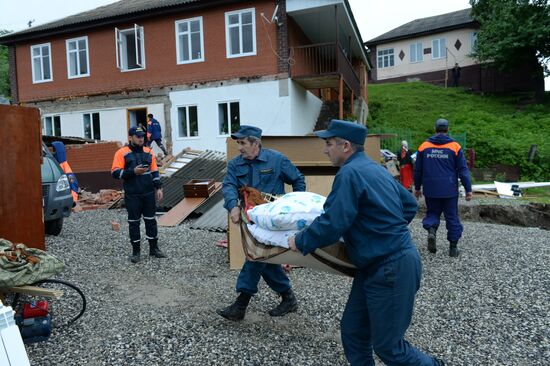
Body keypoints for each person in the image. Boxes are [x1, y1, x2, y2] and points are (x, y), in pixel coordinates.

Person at [288, 120, 444, 366]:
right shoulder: (374, 168)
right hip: (373, 266)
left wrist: (299, 240)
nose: (325, 150)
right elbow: (409, 205)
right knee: (353, 331)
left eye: (329, 144)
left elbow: (331, 223)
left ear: (346, 145)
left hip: (391, 267)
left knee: (389, 348)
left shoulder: (349, 174)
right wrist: (377, 229)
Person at [218, 125, 306, 321]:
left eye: (243, 143)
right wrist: (232, 206)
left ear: (256, 143)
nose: (239, 147)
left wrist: (294, 207)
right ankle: (288, 297)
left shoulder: (277, 159)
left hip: (273, 221)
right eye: (238, 143)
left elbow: (298, 180)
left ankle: (241, 304)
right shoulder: (235, 164)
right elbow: (229, 185)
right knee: (265, 258)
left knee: (256, 255)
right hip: (251, 219)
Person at [413, 118, 472, 257]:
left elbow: (418, 170)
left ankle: (432, 231)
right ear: (447, 129)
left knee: (432, 213)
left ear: (435, 129)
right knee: (451, 216)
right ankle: (453, 248)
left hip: (431, 188)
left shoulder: (424, 146)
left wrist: (417, 187)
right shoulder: (455, 147)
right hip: (449, 189)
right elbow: (463, 170)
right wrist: (468, 189)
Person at [111, 126, 166, 263]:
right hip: (132, 194)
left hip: (148, 193)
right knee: (134, 223)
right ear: (130, 138)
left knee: (151, 221)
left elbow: (154, 172)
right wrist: (132, 172)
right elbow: (114, 173)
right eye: (138, 136)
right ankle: (136, 252)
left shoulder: (149, 152)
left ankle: (154, 249)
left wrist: (158, 187)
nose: (141, 138)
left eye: (142, 136)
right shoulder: (121, 153)